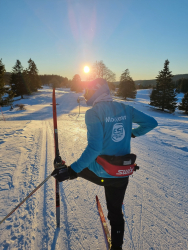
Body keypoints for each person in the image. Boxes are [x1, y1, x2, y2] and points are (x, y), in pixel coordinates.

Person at [52, 78, 158, 250]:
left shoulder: (93, 113)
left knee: (77, 168)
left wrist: (71, 171)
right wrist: (132, 134)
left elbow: (95, 148)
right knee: (115, 214)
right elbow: (152, 123)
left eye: (87, 91)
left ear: (95, 91)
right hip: (122, 174)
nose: (86, 95)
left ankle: (62, 169)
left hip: (102, 173)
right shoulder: (126, 108)